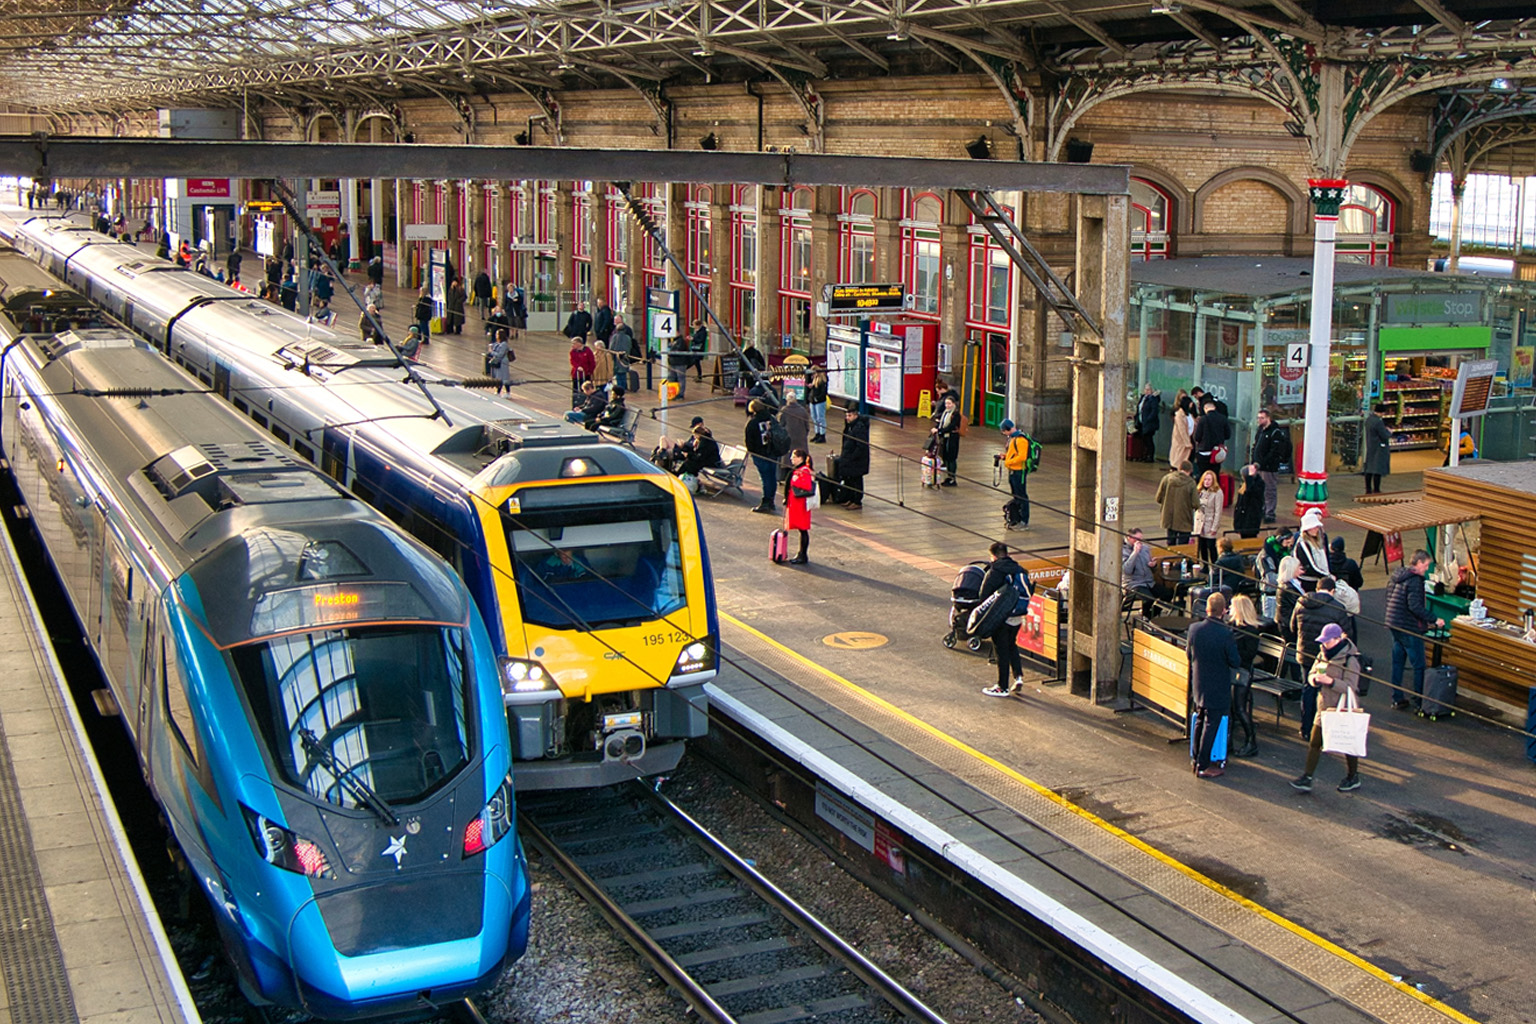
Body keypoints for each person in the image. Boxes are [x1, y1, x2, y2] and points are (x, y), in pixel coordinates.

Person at [1291, 623, 1364, 794]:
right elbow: (1311, 673)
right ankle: (1307, 777)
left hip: (1343, 707)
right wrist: (1314, 679)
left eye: (1327, 641)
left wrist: (1330, 682)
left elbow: (1351, 686)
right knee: (1315, 742)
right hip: (1324, 706)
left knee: (1347, 743)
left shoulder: (1350, 659)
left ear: (1337, 639)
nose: (1324, 645)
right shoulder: (1323, 653)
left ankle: (1353, 776)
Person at [1290, 575, 1353, 740]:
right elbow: (1348, 634)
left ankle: (1306, 728)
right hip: (1327, 657)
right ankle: (1325, 730)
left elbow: (1292, 627)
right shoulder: (1338, 608)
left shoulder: (1301, 602)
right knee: (1327, 693)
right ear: (1332, 591)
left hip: (1304, 653)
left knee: (1308, 689)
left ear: (1317, 588)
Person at [1187, 591, 1240, 778]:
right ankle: (1203, 765)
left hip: (1199, 683)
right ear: (1224, 611)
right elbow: (1234, 661)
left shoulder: (1194, 629)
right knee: (1211, 724)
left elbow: (1189, 654)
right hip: (1218, 685)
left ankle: (1196, 759)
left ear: (1207, 608)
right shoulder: (1226, 634)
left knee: (1200, 719)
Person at [1385, 549, 1443, 712]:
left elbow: (1389, 596)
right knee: (1419, 665)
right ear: (1418, 563)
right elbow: (1415, 606)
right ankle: (1419, 700)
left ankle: (1397, 697)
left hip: (1394, 623)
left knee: (1398, 662)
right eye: (1425, 565)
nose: (1426, 568)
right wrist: (1434, 619)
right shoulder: (1416, 581)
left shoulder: (1398, 575)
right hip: (1409, 627)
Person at [979, 542, 1030, 697]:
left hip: (1001, 616)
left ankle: (1002, 687)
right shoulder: (1019, 570)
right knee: (1011, 644)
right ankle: (1018, 676)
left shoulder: (996, 571)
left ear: (993, 556)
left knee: (1000, 650)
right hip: (1018, 616)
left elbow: (984, 594)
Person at [1227, 593, 1268, 757]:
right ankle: (1229, 741)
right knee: (1231, 707)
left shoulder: (1250, 631)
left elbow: (1249, 655)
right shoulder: (1231, 626)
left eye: (1232, 606)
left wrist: (1231, 651)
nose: (1229, 609)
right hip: (1232, 670)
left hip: (1242, 672)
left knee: (1239, 707)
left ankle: (1251, 741)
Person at [1249, 407, 1290, 523]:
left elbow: (1274, 451)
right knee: (1259, 489)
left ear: (1268, 418)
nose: (1259, 420)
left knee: (1269, 490)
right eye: (1258, 418)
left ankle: (1270, 513)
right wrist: (1253, 461)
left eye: (1262, 418)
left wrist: (1261, 462)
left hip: (1269, 467)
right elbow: (1255, 445)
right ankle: (1262, 509)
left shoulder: (1275, 432)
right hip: (1258, 466)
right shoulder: (1260, 430)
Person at [1122, 528, 1172, 615]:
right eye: (1136, 539)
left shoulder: (1145, 548)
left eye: (1141, 539)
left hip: (1149, 581)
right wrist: (1135, 552)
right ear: (1129, 538)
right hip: (1134, 583)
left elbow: (1152, 569)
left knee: (1168, 594)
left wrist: (1153, 565)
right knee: (1149, 599)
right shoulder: (1123, 551)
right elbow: (1127, 570)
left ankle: (1151, 614)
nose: (1139, 542)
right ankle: (1146, 616)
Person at [745, 399, 782, 514]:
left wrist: (753, 452)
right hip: (773, 452)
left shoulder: (753, 423)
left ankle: (766, 501)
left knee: (765, 478)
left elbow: (749, 441)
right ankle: (771, 500)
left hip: (760, 454)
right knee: (772, 477)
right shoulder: (771, 419)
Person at [782, 449, 816, 565]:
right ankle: (801, 554)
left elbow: (806, 485)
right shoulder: (798, 470)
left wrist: (795, 481)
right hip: (796, 504)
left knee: (803, 529)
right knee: (802, 530)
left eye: (793, 457)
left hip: (800, 505)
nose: (791, 459)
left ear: (800, 458)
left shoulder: (804, 470)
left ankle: (803, 554)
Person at [999, 419, 1033, 530]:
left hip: (1019, 471)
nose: (1004, 434)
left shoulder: (1020, 439)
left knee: (1022, 495)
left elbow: (1022, 456)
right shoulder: (1013, 438)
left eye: (1004, 431)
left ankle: (1024, 521)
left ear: (1008, 429)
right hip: (1013, 470)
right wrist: (1005, 457)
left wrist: (1009, 462)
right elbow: (1013, 454)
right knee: (1016, 495)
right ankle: (1017, 518)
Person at [1155, 460, 1199, 547]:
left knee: (1171, 543)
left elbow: (1158, 498)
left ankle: (1171, 560)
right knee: (1183, 545)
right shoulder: (1191, 483)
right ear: (1189, 471)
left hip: (1169, 517)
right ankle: (1181, 560)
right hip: (1184, 518)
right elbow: (1195, 503)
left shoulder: (1166, 478)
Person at [835, 402, 870, 509]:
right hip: (849, 459)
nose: (847, 418)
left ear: (856, 415)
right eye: (846, 416)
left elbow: (861, 446)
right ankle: (850, 498)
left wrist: (852, 457)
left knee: (856, 480)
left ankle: (857, 501)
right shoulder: (849, 427)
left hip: (857, 460)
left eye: (849, 416)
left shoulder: (859, 427)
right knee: (849, 480)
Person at [1191, 396, 1230, 482]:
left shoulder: (1203, 419)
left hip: (1204, 452)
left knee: (1203, 476)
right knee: (1215, 476)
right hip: (1217, 453)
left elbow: (1197, 436)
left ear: (1205, 408)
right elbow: (1228, 435)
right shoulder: (1223, 419)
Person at [779, 392, 811, 490]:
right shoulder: (803, 411)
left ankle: (785, 477)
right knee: (801, 457)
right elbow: (807, 426)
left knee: (788, 458)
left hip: (788, 439)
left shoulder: (784, 411)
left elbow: (780, 425)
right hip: (801, 438)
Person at [1194, 470, 1224, 565]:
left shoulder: (1217, 492)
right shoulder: (1199, 491)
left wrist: (1214, 527)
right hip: (1199, 523)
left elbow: (1218, 512)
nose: (1206, 482)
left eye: (1209, 480)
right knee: (1202, 546)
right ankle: (1205, 565)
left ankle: (1215, 565)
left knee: (1211, 546)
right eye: (1205, 479)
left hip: (1209, 523)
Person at [1293, 509, 1331, 583]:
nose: (1316, 530)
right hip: (1308, 580)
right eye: (1313, 527)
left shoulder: (1319, 538)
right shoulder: (1302, 544)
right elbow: (1310, 566)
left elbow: (1326, 557)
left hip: (1320, 578)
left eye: (1317, 527)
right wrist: (1326, 576)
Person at [931, 395, 961, 486]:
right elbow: (941, 424)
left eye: (949, 403)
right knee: (946, 457)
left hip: (952, 438)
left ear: (953, 404)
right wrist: (936, 428)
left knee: (951, 458)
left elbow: (951, 426)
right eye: (946, 403)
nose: (947, 405)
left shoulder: (955, 414)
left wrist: (939, 430)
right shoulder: (945, 413)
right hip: (945, 438)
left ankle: (952, 478)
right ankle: (948, 477)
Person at [1363, 402, 1392, 494]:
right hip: (1379, 447)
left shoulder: (1369, 419)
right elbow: (1384, 435)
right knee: (1377, 469)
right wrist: (1389, 432)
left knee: (1369, 468)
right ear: (1381, 412)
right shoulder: (1378, 422)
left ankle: (1368, 488)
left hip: (1371, 446)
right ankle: (1376, 489)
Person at [1230, 464, 1265, 539]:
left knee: (1250, 538)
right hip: (1243, 518)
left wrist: (1250, 478)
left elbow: (1250, 492)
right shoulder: (1243, 485)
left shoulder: (1258, 484)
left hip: (1251, 519)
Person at [1134, 384, 1161, 462]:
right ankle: (1144, 455)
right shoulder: (1143, 398)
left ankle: (1150, 456)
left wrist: (1148, 419)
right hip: (1141, 422)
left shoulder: (1153, 399)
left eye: (1148, 390)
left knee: (1148, 439)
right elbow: (1139, 408)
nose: (1146, 391)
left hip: (1149, 423)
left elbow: (1154, 411)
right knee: (1143, 439)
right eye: (1145, 389)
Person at [609, 315, 638, 385]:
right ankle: (624, 385)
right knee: (623, 372)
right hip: (625, 357)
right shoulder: (627, 337)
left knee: (618, 373)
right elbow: (630, 346)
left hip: (617, 358)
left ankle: (620, 386)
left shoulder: (615, 337)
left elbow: (611, 347)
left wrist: (611, 355)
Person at [1169, 392, 1194, 471]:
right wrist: (1187, 443)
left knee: (1188, 460)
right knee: (1179, 461)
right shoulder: (1179, 415)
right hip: (1182, 442)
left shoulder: (1189, 414)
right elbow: (1182, 430)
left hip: (1190, 438)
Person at [569, 337, 596, 406]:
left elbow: (592, 362)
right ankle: (575, 404)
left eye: (574, 344)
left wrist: (589, 371)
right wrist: (577, 367)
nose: (572, 345)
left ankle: (586, 403)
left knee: (586, 389)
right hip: (576, 374)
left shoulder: (587, 351)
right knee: (575, 390)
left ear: (579, 343)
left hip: (586, 374)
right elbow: (572, 361)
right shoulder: (572, 351)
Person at [487, 329, 514, 394]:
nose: (496, 335)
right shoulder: (497, 343)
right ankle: (499, 391)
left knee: (503, 378)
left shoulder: (504, 344)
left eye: (497, 334)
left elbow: (500, 354)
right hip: (498, 363)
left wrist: (492, 352)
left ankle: (506, 392)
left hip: (502, 363)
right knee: (499, 378)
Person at [807, 368, 828, 444]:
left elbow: (823, 393)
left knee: (820, 418)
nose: (812, 375)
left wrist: (817, 398)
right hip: (813, 401)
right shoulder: (814, 380)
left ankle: (822, 435)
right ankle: (817, 433)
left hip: (820, 402)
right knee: (814, 418)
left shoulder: (822, 381)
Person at [666, 335, 691, 399]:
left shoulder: (680, 341)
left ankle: (680, 394)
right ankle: (672, 392)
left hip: (680, 363)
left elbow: (677, 350)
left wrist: (671, 351)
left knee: (680, 378)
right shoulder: (671, 340)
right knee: (671, 377)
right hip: (672, 362)